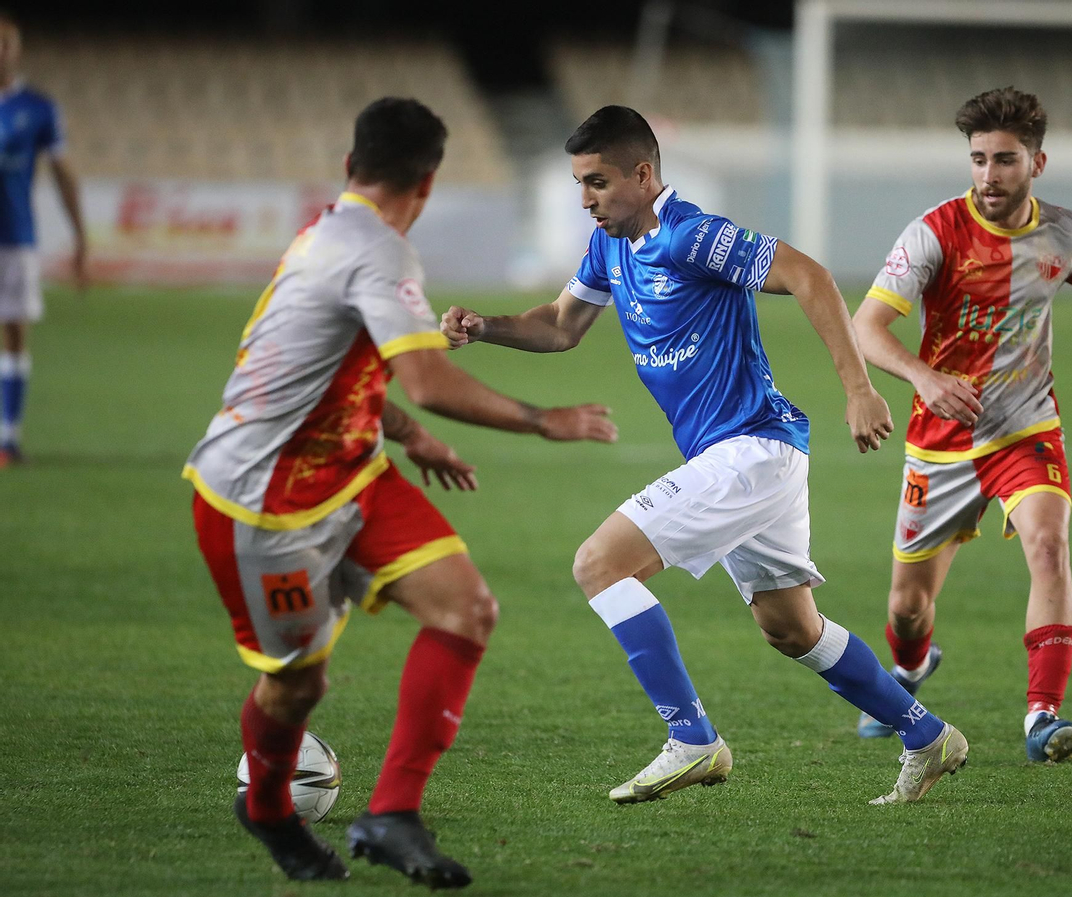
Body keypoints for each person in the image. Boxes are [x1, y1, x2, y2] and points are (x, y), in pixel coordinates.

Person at [441, 105, 968, 806]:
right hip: (750, 457)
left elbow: (808, 274)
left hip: (750, 450)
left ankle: (691, 738)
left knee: (599, 563)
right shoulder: (610, 246)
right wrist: (487, 327)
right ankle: (927, 733)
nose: (585, 199)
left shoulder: (692, 235)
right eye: (578, 184)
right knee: (790, 627)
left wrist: (859, 387)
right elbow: (562, 326)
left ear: (643, 173)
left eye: (597, 182)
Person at [185, 98, 615, 887]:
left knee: (466, 607)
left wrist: (410, 438)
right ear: (428, 183)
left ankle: (392, 813)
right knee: (297, 684)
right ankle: (272, 807)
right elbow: (427, 376)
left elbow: (340, 367)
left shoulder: (326, 233)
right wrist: (544, 418)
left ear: (353, 167)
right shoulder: (375, 252)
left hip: (350, 472)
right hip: (260, 501)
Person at [850, 87, 1072, 762]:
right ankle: (911, 669)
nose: (987, 175)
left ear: (1037, 161)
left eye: (1004, 160)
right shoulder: (934, 233)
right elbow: (866, 327)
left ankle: (1042, 716)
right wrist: (924, 377)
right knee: (906, 608)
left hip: (1026, 429)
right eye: (977, 159)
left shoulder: (1066, 235)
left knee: (1049, 543)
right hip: (939, 445)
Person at [0, 10, 87, 466]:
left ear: (17, 50)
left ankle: (7, 438)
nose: (2, 51)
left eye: (8, 43)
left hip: (15, 238)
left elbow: (64, 174)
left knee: (14, 333)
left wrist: (80, 237)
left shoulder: (37, 107)